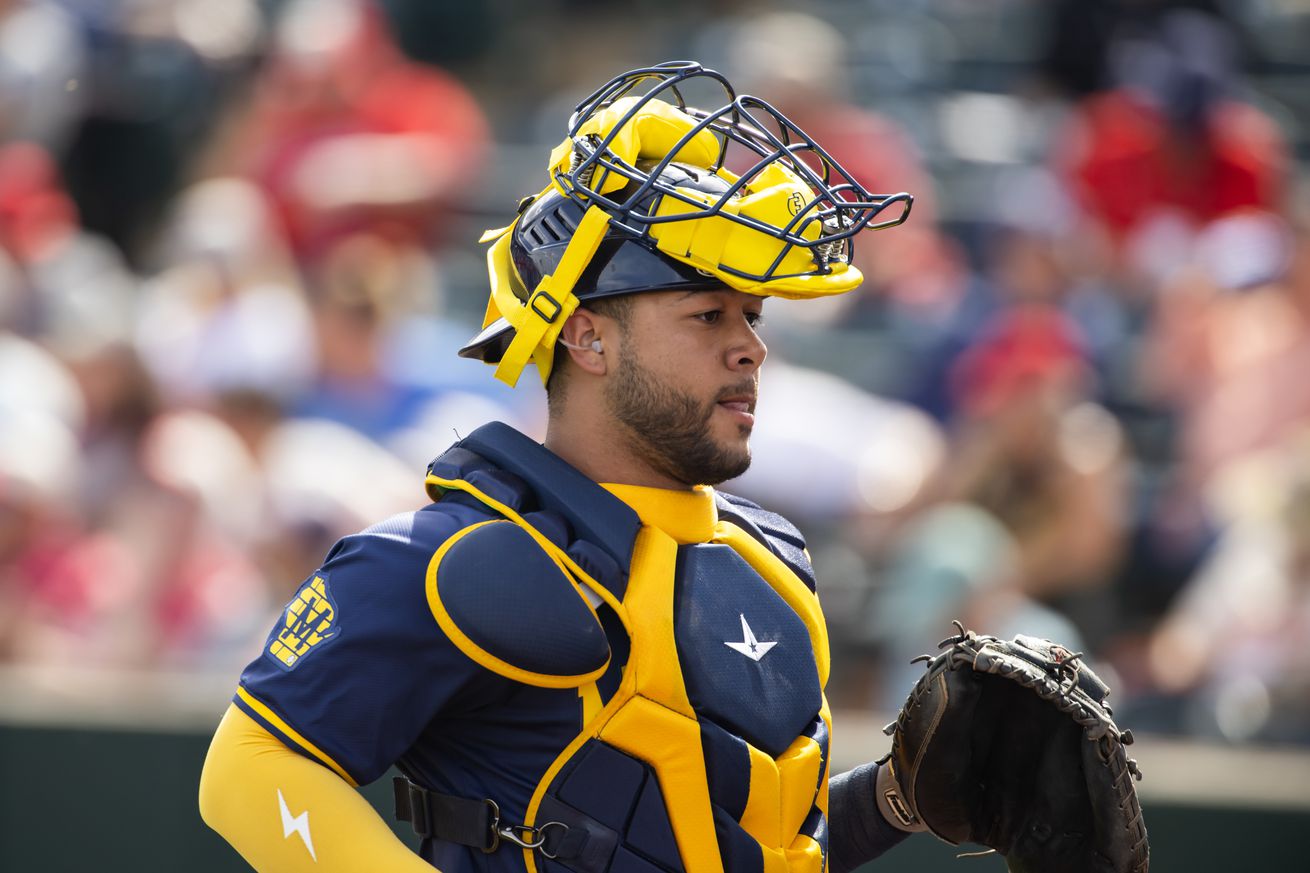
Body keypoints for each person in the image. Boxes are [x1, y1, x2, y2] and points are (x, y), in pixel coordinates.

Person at [199, 61, 920, 873]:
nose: (749, 346)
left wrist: (904, 794)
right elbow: (250, 772)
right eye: (707, 313)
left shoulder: (775, 560)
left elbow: (755, 845)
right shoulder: (448, 558)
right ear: (587, 337)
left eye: (752, 315)